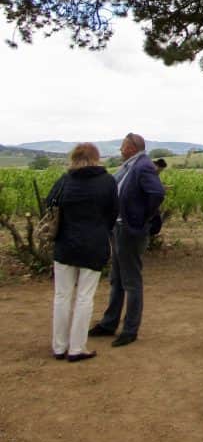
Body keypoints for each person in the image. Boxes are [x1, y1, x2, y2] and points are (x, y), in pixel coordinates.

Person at [89, 132, 165, 347]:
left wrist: (141, 220)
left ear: (132, 147)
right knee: (117, 278)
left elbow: (157, 193)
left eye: (123, 146)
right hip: (119, 227)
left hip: (130, 230)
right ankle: (109, 323)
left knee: (131, 280)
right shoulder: (131, 165)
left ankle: (130, 329)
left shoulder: (143, 166)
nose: (121, 150)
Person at [47, 142, 118, 362]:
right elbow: (112, 213)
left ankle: (59, 347)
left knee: (62, 296)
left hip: (65, 245)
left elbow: (50, 204)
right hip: (94, 245)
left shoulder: (65, 180)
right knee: (84, 298)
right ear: (96, 158)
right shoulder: (107, 181)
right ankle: (77, 348)